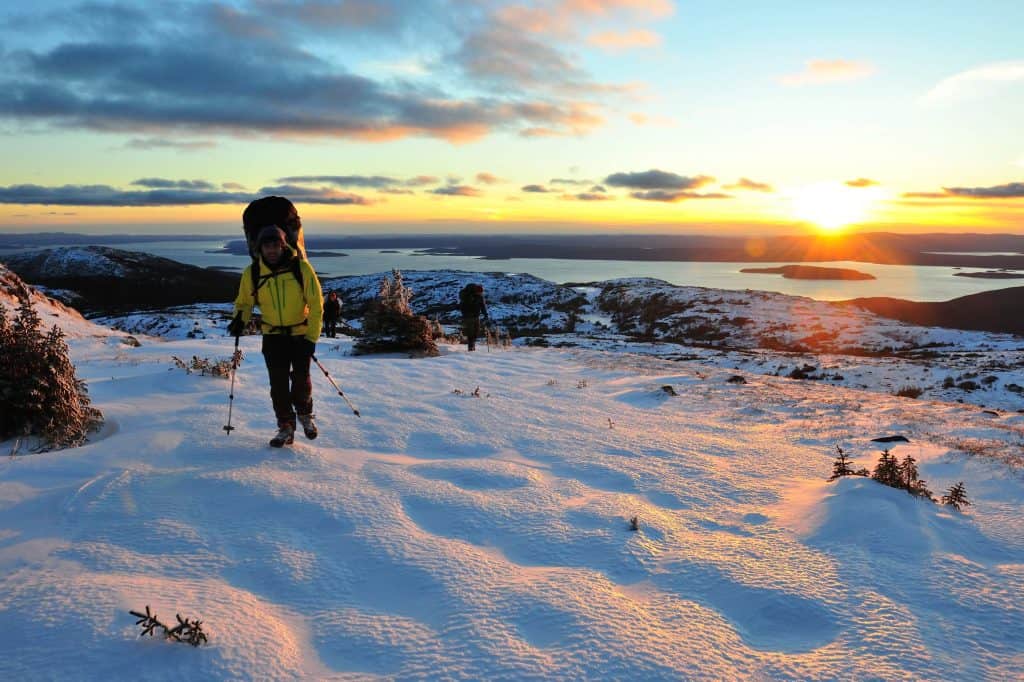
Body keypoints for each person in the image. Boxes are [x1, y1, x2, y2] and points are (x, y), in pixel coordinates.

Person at [228, 223, 324, 447]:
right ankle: (285, 427)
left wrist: (312, 338)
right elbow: (244, 302)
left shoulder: (301, 269)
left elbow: (317, 305)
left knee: (301, 380)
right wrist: (239, 319)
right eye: (267, 246)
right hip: (272, 336)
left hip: (300, 334)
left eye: (276, 246)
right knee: (278, 384)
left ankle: (304, 414)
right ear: (259, 249)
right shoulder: (252, 272)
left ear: (283, 246)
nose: (271, 251)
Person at [458, 283, 488, 351]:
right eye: (479, 292)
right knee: (470, 332)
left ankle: (472, 345)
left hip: (475, 316)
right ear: (476, 291)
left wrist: (485, 314)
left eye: (481, 293)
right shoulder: (468, 295)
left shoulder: (479, 296)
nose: (480, 293)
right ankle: (471, 348)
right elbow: (463, 305)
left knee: (476, 332)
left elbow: (482, 306)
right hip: (468, 316)